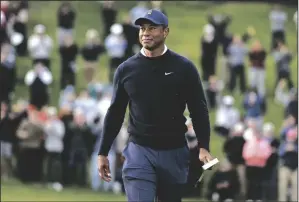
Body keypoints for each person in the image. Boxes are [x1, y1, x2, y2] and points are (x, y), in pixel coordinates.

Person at [97, 9, 212, 202]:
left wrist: (204, 147)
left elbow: (199, 110)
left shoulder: (184, 68)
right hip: (139, 151)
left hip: (174, 152)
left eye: (152, 28)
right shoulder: (126, 70)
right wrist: (103, 152)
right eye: (142, 28)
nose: (145, 33)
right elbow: (115, 113)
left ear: (165, 32)